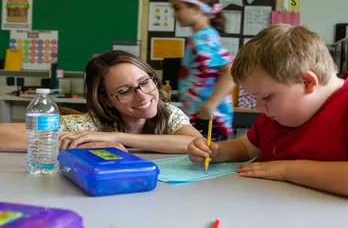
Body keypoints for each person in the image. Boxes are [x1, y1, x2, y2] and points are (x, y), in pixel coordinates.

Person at [187, 24, 348, 204]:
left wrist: (285, 169)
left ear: (307, 82)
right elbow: (245, 147)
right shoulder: (276, 116)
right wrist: (216, 151)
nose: (258, 107)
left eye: (265, 97)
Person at [0, 50, 202, 153]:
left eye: (144, 82)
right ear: (105, 99)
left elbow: (196, 143)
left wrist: (117, 138)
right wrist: (80, 144)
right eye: (124, 91)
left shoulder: (169, 114)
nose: (142, 96)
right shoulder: (88, 125)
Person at [170, 0, 236, 141]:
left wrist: (210, 104)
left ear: (196, 8)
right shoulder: (201, 36)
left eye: (177, 8)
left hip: (208, 118)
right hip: (200, 115)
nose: (173, 15)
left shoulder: (204, 37)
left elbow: (230, 72)